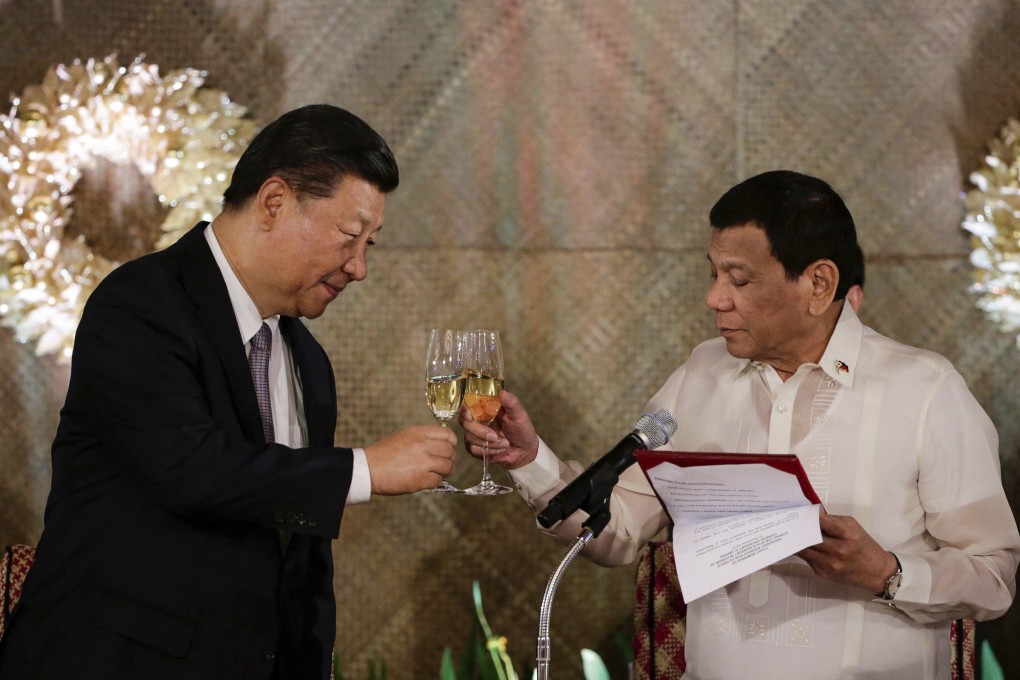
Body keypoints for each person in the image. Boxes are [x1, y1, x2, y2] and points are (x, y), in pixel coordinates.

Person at [460, 170, 1019, 679]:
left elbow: (993, 577)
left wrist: (888, 573)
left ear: (818, 284)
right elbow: (617, 531)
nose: (714, 298)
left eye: (740, 280)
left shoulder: (925, 391)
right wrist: (529, 460)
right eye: (713, 274)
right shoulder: (701, 374)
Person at [0, 104, 456, 679]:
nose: (359, 267)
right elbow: (190, 469)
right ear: (274, 202)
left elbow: (300, 564)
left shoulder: (309, 360)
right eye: (349, 236)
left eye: (371, 244)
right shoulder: (139, 302)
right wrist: (364, 469)